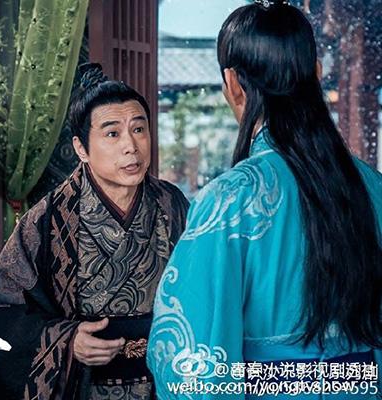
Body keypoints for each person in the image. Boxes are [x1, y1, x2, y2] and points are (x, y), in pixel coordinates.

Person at [147, 1, 382, 399]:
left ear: (233, 84)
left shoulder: (229, 201)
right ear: (317, 74)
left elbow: (191, 355)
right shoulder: (373, 188)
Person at [0, 63, 189, 400]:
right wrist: (68, 340)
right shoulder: (48, 219)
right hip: (82, 389)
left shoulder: (173, 205)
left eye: (139, 129)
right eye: (112, 134)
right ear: (81, 148)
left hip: (162, 384)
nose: (131, 146)